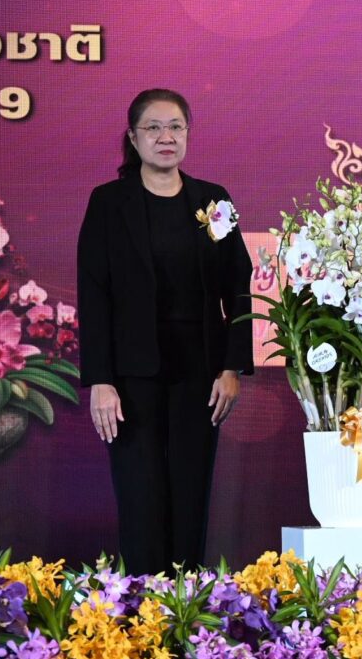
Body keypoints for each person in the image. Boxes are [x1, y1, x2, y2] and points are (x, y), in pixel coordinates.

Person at [77, 88, 254, 575]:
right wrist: (100, 380)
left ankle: (185, 603)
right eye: (153, 128)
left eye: (175, 126)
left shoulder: (214, 202)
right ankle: (143, 606)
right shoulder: (108, 203)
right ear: (133, 138)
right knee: (141, 495)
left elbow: (239, 287)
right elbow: (93, 294)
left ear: (188, 134)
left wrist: (232, 367)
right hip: (131, 376)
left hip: (201, 375)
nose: (165, 137)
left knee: (191, 492)